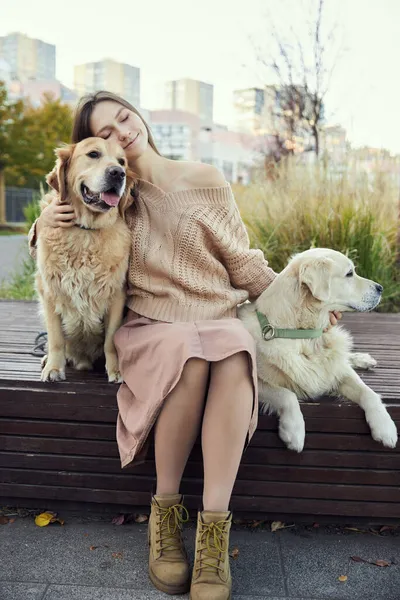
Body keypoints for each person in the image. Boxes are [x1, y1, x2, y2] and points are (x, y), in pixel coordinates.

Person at [29, 91, 341, 599]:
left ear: (139, 117)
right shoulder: (111, 192)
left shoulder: (205, 179)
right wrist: (44, 221)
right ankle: (165, 520)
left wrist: (304, 303)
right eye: (105, 132)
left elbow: (243, 263)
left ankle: (213, 537)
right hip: (152, 323)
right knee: (190, 357)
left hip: (214, 312)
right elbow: (59, 220)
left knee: (232, 348)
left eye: (124, 118)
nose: (121, 133)